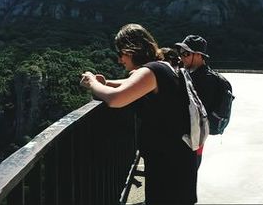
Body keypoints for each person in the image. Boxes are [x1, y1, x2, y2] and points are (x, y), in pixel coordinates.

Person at [80, 24, 197, 204]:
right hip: (173, 159)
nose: (120, 60)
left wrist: (92, 83)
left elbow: (116, 99)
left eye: (121, 53)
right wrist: (106, 83)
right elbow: (131, 84)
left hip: (170, 165)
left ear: (132, 49)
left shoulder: (152, 70)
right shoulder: (161, 67)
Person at [174, 35, 233, 169]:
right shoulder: (194, 75)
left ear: (199, 55)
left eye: (186, 53)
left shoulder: (205, 80)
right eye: (181, 53)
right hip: (192, 140)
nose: (182, 56)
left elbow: (195, 113)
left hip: (192, 141)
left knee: (186, 181)